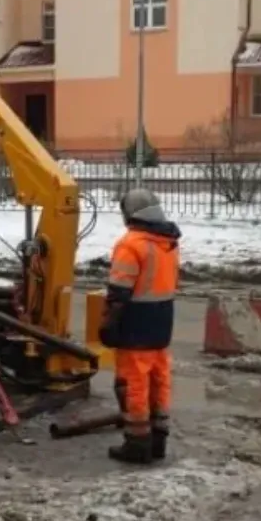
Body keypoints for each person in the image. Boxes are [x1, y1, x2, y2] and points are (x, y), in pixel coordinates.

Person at [99, 188, 181, 465]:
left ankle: (136, 443)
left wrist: (109, 324)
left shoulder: (130, 244)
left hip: (134, 324)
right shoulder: (168, 242)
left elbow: (119, 292)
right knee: (159, 380)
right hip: (161, 323)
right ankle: (158, 440)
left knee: (132, 383)